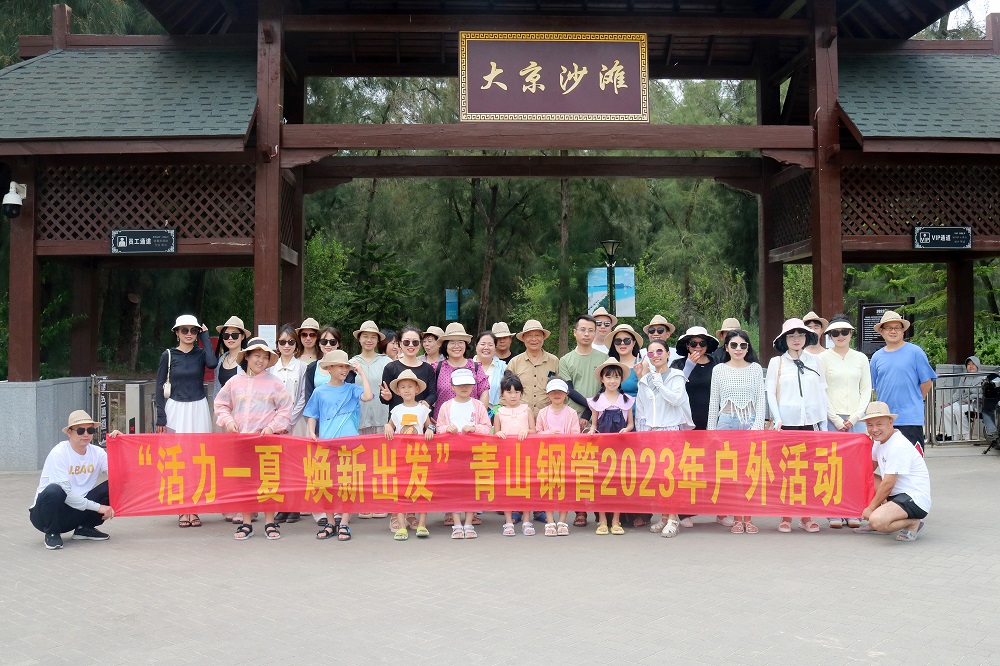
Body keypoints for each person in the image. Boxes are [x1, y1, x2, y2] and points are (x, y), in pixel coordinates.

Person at [214, 337, 293, 541]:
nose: (261, 360)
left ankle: (270, 522)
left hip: (266, 442)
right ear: (247, 357)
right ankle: (246, 522)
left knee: (267, 481)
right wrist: (228, 421)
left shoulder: (274, 382)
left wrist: (272, 427)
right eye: (257, 356)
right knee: (245, 482)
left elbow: (286, 408)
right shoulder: (234, 382)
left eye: (265, 357)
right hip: (242, 442)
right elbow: (221, 404)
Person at [155, 314, 218, 529]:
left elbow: (212, 363)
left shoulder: (201, 354)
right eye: (184, 330)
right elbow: (159, 386)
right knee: (178, 458)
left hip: (198, 407)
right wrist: (161, 416)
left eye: (193, 330)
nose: (189, 334)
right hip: (175, 408)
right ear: (177, 333)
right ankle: (182, 507)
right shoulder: (168, 355)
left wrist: (206, 336)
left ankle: (195, 507)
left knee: (198, 457)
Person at [305, 349, 373, 541]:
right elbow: (312, 414)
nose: (344, 370)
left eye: (346, 367)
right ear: (329, 368)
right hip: (327, 444)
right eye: (340, 366)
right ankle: (330, 522)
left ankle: (344, 522)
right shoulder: (319, 391)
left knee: (347, 484)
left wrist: (362, 373)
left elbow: (368, 396)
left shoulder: (352, 389)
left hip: (350, 444)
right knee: (327, 483)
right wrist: (312, 432)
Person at [766, 318, 827, 534]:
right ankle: (786, 516)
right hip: (787, 424)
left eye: (800, 335)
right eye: (791, 336)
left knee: (808, 471)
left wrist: (823, 423)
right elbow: (770, 392)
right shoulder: (777, 363)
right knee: (787, 470)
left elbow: (822, 392)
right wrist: (777, 418)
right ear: (784, 340)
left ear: (806, 337)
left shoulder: (815, 361)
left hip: (810, 423)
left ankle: (806, 516)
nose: (796, 339)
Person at [30, 411, 117, 550]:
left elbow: (118, 474)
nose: (86, 434)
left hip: (76, 512)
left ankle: (84, 528)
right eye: (81, 430)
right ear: (69, 432)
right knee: (55, 490)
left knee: (115, 484)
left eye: (90, 430)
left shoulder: (97, 453)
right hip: (45, 516)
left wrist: (118, 445)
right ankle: (52, 533)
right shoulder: (59, 453)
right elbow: (67, 495)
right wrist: (99, 507)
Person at [707, 329, 765, 534]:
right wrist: (711, 430)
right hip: (726, 422)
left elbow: (761, 400)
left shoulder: (755, 369)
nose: (738, 349)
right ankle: (736, 518)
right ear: (727, 347)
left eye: (743, 345)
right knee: (730, 473)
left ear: (748, 348)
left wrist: (757, 427)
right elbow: (714, 401)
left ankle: (748, 518)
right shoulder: (719, 369)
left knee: (749, 473)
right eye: (734, 345)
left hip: (749, 421)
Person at [672, 326, 729, 529]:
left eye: (702, 343)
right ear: (687, 345)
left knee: (717, 468)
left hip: (713, 422)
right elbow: (674, 389)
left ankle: (721, 511)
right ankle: (685, 512)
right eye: (693, 343)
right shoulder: (678, 364)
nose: (698, 347)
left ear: (708, 344)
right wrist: (689, 365)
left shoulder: (717, 363)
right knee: (689, 468)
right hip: (687, 424)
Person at [634, 340, 692, 538]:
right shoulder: (644, 380)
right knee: (658, 477)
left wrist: (659, 383)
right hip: (652, 433)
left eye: (660, 351)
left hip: (671, 431)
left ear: (668, 354)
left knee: (672, 476)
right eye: (651, 353)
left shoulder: (677, 376)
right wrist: (643, 436)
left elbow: (677, 399)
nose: (656, 356)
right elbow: (641, 410)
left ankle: (674, 518)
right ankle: (664, 516)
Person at [819, 316, 872, 530]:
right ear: (830, 336)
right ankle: (834, 511)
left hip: (856, 420)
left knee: (855, 467)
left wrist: (856, 416)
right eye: (835, 333)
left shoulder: (861, 358)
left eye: (844, 332)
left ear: (851, 333)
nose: (840, 336)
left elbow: (866, 389)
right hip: (833, 419)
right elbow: (821, 391)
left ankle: (853, 510)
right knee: (833, 465)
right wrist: (835, 418)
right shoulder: (823, 358)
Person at [857, 402, 931, 541]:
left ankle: (913, 523)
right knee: (862, 477)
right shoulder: (879, 442)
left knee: (877, 521)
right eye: (870, 425)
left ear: (890, 422)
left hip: (914, 498)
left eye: (879, 424)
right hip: (896, 494)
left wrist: (871, 508)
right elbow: (868, 470)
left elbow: (888, 484)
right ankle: (884, 513)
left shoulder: (898, 445)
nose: (874, 429)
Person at [437, 368, 493, 539]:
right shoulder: (446, 406)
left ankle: (468, 523)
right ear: (452, 386)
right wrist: (447, 429)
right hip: (453, 454)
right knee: (454, 488)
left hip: (473, 454)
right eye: (460, 385)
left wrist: (474, 428)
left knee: (471, 488)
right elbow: (439, 427)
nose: (464, 388)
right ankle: (456, 523)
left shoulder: (478, 405)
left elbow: (487, 427)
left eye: (468, 384)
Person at [869, 310, 936, 452]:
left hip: (910, 419)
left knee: (912, 460)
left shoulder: (915, 352)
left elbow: (927, 382)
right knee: (887, 460)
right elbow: (875, 386)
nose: (893, 331)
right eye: (888, 328)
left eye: (897, 328)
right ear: (881, 331)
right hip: (885, 419)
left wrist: (915, 400)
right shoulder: (876, 357)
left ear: (903, 331)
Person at [383, 369, 433, 541]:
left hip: (419, 456)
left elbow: (430, 425)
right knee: (401, 490)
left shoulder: (423, 409)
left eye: (410, 386)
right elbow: (390, 425)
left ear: (417, 389)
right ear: (398, 391)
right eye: (403, 387)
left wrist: (430, 430)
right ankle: (402, 526)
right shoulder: (396, 410)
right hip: (401, 457)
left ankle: (422, 524)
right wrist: (387, 426)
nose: (407, 390)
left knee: (421, 488)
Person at [607, 322, 649, 528]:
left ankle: (640, 512)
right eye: (618, 341)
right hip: (614, 421)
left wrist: (641, 376)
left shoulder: (642, 363)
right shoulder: (609, 364)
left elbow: (649, 392)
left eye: (626, 340)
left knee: (638, 468)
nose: (622, 344)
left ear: (633, 342)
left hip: (638, 419)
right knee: (617, 468)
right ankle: (618, 513)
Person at [587, 359, 635, 536]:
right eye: (608, 377)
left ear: (621, 379)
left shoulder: (626, 400)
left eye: (616, 377)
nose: (612, 381)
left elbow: (630, 424)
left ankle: (616, 520)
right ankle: (602, 520)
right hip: (601, 449)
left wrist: (626, 430)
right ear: (602, 379)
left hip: (621, 449)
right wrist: (591, 431)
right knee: (600, 483)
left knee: (618, 484)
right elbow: (594, 424)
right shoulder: (596, 401)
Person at [269, 324, 309, 524]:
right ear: (277, 344)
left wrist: (289, 420)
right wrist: (277, 422)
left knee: (296, 465)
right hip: (275, 424)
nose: (286, 345)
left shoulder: (302, 367)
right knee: (279, 465)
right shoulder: (271, 368)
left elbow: (302, 396)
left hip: (296, 422)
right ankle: (282, 506)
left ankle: (295, 506)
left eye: (291, 342)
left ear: (296, 344)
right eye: (282, 342)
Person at [535, 377, 581, 536]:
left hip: (565, 457)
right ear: (548, 394)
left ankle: (562, 520)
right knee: (548, 488)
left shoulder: (571, 413)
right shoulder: (543, 413)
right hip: (547, 456)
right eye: (553, 391)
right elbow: (537, 432)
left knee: (564, 488)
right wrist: (549, 434)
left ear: (566, 393)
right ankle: (550, 521)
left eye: (560, 391)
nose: (556, 394)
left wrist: (565, 439)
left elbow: (576, 434)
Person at [494, 372, 537, 537]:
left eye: (516, 392)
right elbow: (495, 433)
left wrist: (527, 430)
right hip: (506, 457)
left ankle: (526, 520)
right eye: (509, 392)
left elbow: (534, 430)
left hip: (525, 455)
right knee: (507, 488)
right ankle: (508, 521)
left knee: (526, 486)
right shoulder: (499, 412)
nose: (513, 396)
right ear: (502, 393)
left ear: (521, 393)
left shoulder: (526, 410)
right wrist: (498, 434)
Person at [431, 322, 490, 420]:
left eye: (460, 342)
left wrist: (480, 417)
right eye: (452, 342)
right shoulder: (437, 368)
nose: (456, 346)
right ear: (446, 345)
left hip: (471, 423)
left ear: (465, 345)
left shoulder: (475, 367)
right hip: (444, 423)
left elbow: (484, 392)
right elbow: (428, 394)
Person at [508, 319, 560, 415]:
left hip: (548, 415)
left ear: (543, 337)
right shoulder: (514, 362)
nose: (534, 339)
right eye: (529, 336)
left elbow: (561, 390)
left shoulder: (554, 361)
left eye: (537, 335)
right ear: (523, 338)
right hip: (520, 416)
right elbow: (505, 390)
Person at [351, 320, 391, 436]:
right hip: (358, 420)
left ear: (378, 340)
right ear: (359, 339)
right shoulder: (351, 363)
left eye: (373, 337)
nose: (369, 340)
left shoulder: (387, 362)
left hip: (382, 420)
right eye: (365, 336)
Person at [939, 356, 982, 441]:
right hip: (963, 402)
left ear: (977, 365)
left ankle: (966, 435)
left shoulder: (983, 377)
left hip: (975, 403)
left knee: (959, 410)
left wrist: (970, 397)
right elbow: (958, 392)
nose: (971, 366)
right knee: (946, 410)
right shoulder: (965, 377)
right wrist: (949, 403)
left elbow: (982, 394)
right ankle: (954, 435)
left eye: (973, 364)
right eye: (968, 364)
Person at [212, 315, 250, 404]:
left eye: (235, 335)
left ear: (243, 336)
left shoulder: (248, 359)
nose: (230, 338)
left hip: (242, 408)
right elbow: (217, 389)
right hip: (223, 408)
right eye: (226, 335)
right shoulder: (221, 360)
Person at [473, 330, 508, 415]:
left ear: (495, 348)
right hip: (470, 413)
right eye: (482, 344)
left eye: (490, 345)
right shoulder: (467, 366)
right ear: (476, 346)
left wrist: (495, 413)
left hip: (496, 414)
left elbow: (509, 392)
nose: (486, 347)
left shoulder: (504, 368)